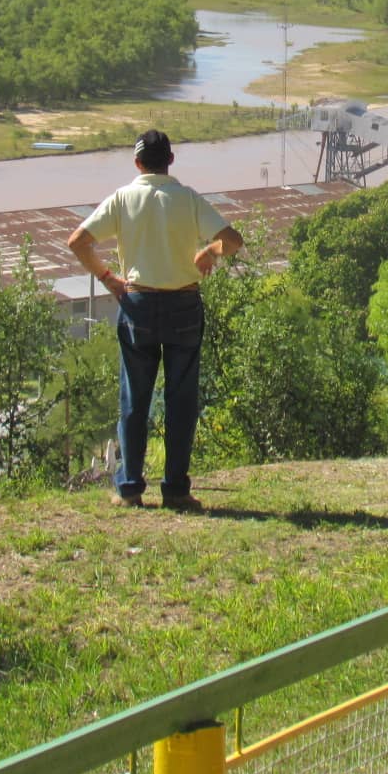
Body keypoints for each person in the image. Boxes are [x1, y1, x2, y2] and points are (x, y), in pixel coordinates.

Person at [67, 130, 243, 511]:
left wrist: (107, 278)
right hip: (183, 304)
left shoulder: (123, 198)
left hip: (138, 303)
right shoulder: (187, 199)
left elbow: (78, 241)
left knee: (135, 400)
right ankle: (176, 490)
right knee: (181, 401)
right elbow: (232, 240)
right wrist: (209, 253)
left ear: (137, 163)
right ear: (171, 161)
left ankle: (130, 488)